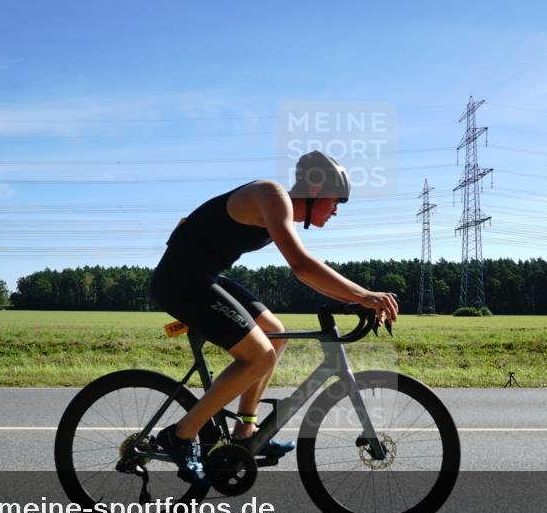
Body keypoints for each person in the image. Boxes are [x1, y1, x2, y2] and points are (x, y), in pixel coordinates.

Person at [149, 151, 400, 483]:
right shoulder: (272, 196)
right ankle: (180, 436)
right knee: (259, 356)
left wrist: (358, 301)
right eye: (335, 200)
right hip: (180, 280)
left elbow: (308, 273)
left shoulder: (280, 209)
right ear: (315, 188)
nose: (337, 209)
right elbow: (302, 265)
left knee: (275, 334)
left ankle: (245, 432)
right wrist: (364, 295)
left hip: (201, 276)